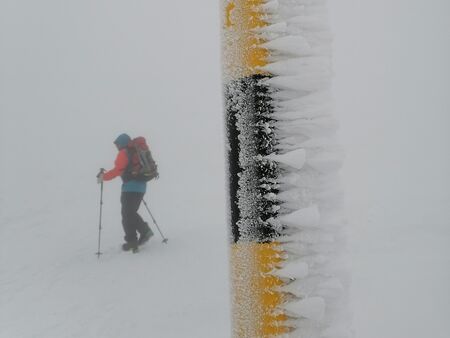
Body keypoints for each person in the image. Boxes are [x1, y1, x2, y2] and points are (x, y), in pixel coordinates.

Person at [97, 133, 154, 252]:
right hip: (141, 187)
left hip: (130, 188)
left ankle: (140, 234)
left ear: (121, 143)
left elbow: (118, 170)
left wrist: (103, 177)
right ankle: (135, 239)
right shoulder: (136, 152)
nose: (117, 147)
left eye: (117, 144)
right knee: (129, 214)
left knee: (127, 214)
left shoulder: (124, 153)